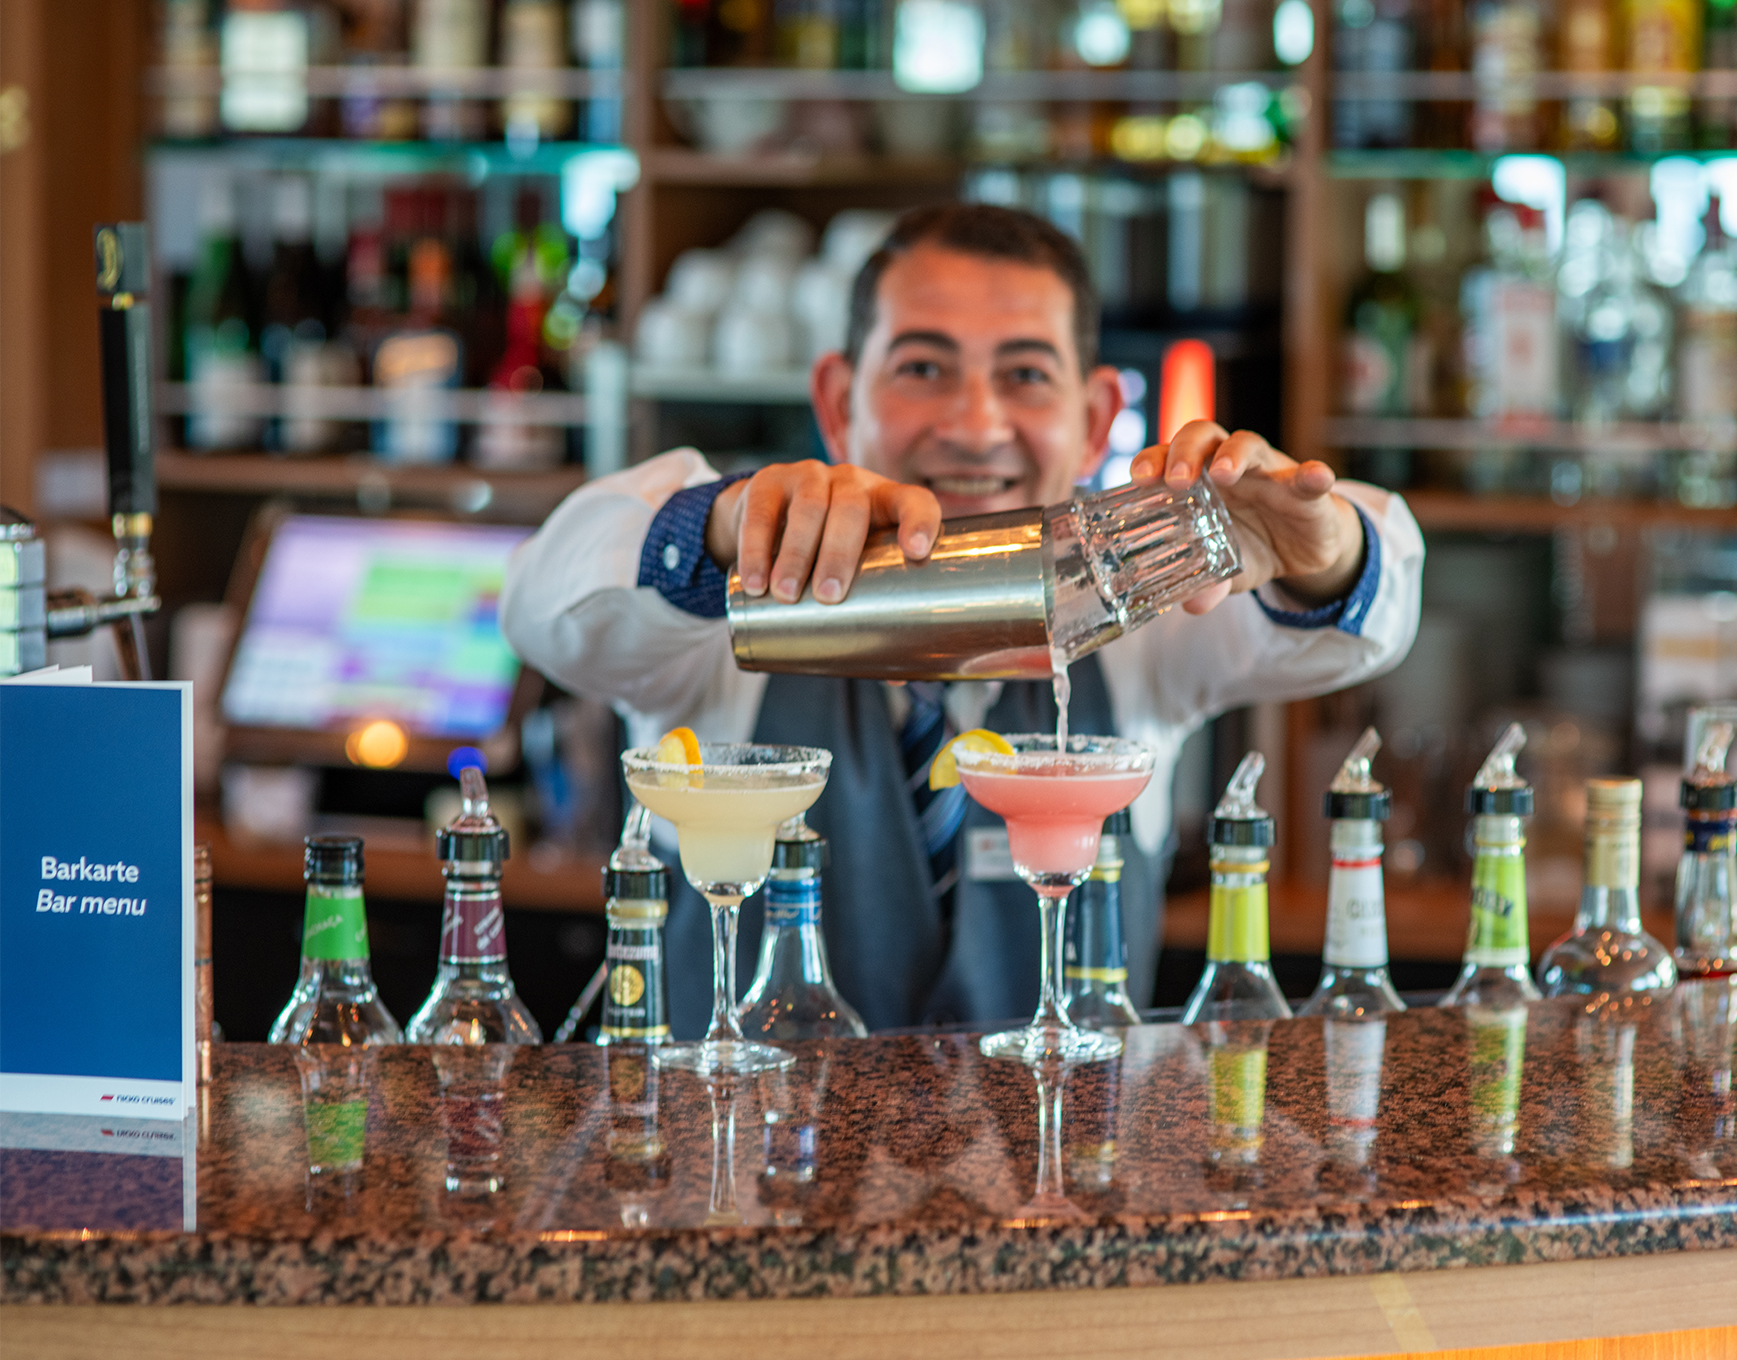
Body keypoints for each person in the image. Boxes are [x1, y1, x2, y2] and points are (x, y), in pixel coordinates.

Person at [503, 203, 1422, 1034]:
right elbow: (540, 602)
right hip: (740, 1162)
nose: (976, 424)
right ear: (837, 403)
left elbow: (1369, 618)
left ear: (1096, 418)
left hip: (1066, 1161)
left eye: (1025, 374)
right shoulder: (724, 609)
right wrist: (719, 529)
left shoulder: (1139, 610)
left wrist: (1317, 546)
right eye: (923, 367)